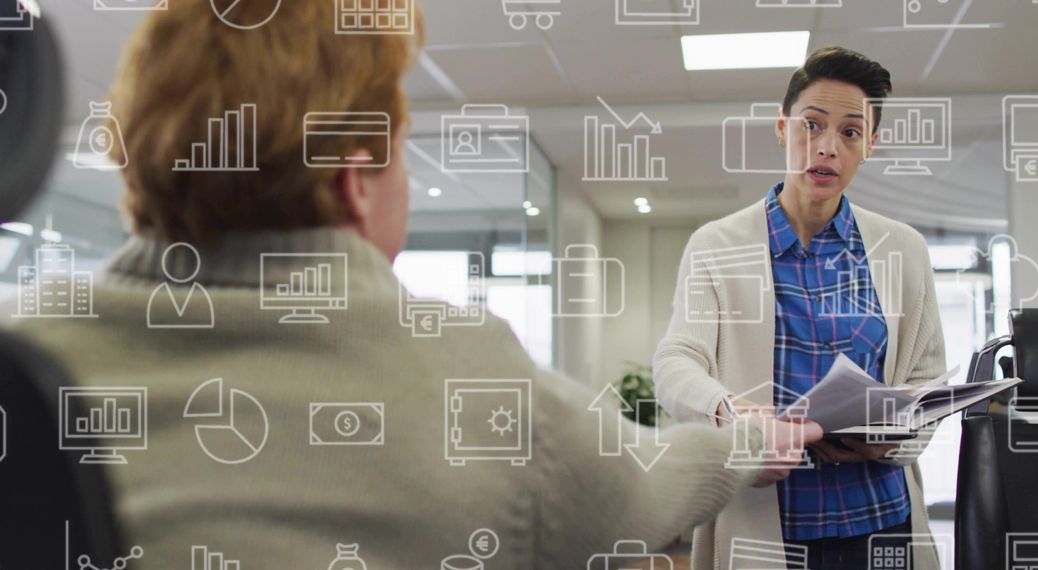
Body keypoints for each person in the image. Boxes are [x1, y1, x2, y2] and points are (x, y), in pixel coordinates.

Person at [11, 1, 822, 568]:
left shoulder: (26, 348)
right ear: (358, 179)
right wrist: (754, 440)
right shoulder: (469, 381)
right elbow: (648, 484)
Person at [653, 46, 947, 570]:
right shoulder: (717, 245)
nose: (828, 147)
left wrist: (894, 439)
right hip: (768, 523)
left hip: (882, 522)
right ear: (782, 128)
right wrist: (729, 414)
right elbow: (677, 359)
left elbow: (925, 377)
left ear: (871, 145)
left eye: (851, 132)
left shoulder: (903, 249)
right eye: (811, 125)